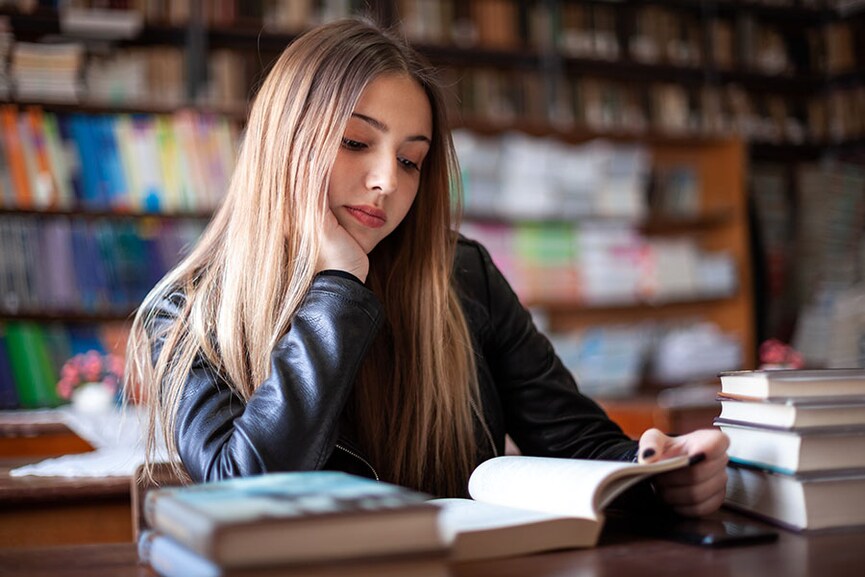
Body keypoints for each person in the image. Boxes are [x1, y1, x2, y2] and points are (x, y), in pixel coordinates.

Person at [126, 18, 728, 516]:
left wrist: (660, 469)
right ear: (285, 142)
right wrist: (337, 288)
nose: (387, 180)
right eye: (357, 143)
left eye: (411, 161)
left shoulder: (463, 275)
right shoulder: (184, 313)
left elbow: (580, 443)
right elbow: (243, 487)